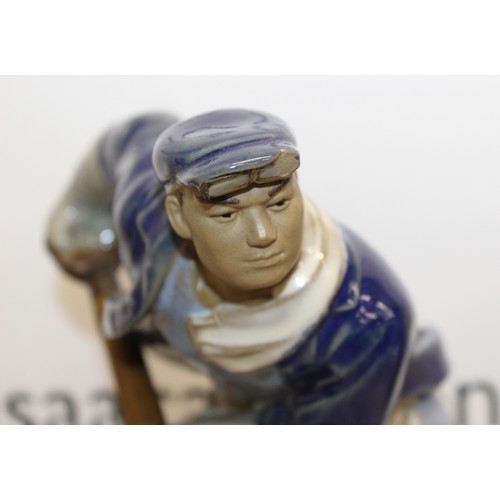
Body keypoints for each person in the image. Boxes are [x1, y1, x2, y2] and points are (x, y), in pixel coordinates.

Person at [47, 109, 448, 424]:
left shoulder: (367, 320)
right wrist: (79, 216)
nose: (263, 235)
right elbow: (134, 134)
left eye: (279, 203)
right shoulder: (147, 225)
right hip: (240, 399)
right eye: (227, 215)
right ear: (178, 215)